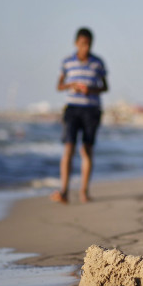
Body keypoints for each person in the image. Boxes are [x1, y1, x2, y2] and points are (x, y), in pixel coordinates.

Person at [51, 27, 108, 204]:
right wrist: (71, 85)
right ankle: (64, 191)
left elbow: (105, 87)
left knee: (87, 149)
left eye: (89, 44)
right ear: (76, 43)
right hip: (72, 109)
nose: (86, 47)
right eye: (83, 44)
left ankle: (84, 191)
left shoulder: (98, 62)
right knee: (68, 147)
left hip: (91, 110)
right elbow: (59, 86)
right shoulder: (67, 62)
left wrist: (90, 89)